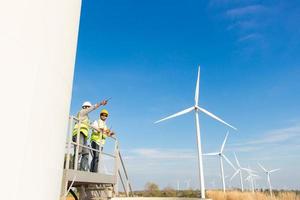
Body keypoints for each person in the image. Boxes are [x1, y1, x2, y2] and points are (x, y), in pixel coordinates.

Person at [72, 100, 108, 171]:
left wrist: (100, 130)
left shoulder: (87, 118)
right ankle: (74, 169)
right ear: (84, 107)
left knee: (86, 153)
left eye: (89, 107)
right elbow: (92, 108)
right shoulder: (81, 112)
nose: (89, 108)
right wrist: (100, 103)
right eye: (87, 107)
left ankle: (82, 170)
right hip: (79, 133)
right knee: (78, 151)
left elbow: (91, 126)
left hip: (84, 135)